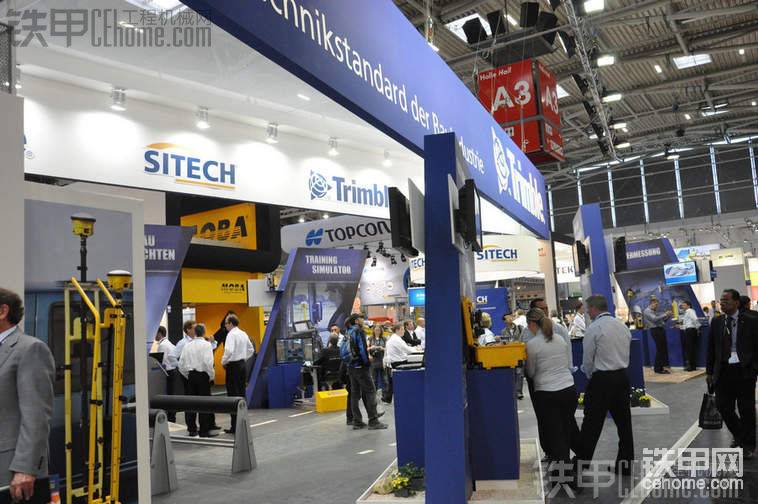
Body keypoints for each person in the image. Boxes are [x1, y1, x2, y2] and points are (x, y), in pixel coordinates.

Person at [0, 288, 55, 502]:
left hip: (14, 473)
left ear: (3, 311)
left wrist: (25, 468)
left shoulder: (30, 349)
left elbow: (36, 416)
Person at [579, 294, 634, 475]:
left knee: (591, 424)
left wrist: (591, 376)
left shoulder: (594, 328)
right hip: (622, 378)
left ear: (594, 308)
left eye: (588, 309)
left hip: (602, 380)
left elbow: (588, 359)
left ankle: (581, 464)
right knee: (624, 424)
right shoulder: (622, 326)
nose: (587, 312)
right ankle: (625, 465)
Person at [524, 308, 578, 475]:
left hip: (547, 393)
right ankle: (566, 469)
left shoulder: (532, 345)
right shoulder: (559, 339)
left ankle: (565, 475)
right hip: (568, 389)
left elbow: (531, 372)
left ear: (532, 324)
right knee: (566, 430)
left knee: (555, 434)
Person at [706, 289, 758, 459]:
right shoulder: (717, 321)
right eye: (721, 301)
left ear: (736, 302)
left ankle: (748, 445)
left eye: (726, 300)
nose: (722, 303)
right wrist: (709, 371)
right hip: (723, 371)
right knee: (723, 407)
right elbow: (711, 348)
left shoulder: (751, 320)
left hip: (744, 371)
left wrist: (754, 367)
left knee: (746, 409)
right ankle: (741, 435)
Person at [346, 314, 387, 430]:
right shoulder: (359, 331)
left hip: (351, 366)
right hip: (360, 366)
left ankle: (357, 421)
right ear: (356, 321)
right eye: (361, 319)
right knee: (370, 391)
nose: (363, 321)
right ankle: (373, 421)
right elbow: (362, 349)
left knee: (354, 394)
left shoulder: (348, 331)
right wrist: (367, 362)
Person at [178, 323, 218, 438]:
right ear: (204, 332)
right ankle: (204, 430)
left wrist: (188, 375)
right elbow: (208, 363)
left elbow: (181, 364)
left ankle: (192, 429)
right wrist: (211, 376)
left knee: (191, 403)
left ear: (195, 332)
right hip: (203, 376)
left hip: (191, 376)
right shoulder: (206, 345)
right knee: (204, 404)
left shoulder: (187, 346)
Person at [221, 314, 255, 434]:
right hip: (242, 366)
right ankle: (243, 424)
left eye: (226, 323)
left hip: (233, 367)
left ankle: (234, 426)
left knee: (232, 396)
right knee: (241, 394)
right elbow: (251, 349)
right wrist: (243, 358)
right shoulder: (243, 333)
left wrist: (223, 362)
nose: (225, 325)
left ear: (230, 323)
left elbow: (229, 351)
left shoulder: (231, 334)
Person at [383, 322, 416, 404]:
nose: (404, 331)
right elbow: (408, 350)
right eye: (402, 329)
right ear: (397, 330)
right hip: (398, 363)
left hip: (394, 362)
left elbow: (405, 349)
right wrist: (417, 349)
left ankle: (387, 398)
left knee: (391, 383)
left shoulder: (395, 338)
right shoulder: (396, 339)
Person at [155, 326, 180, 422]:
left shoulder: (162, 345)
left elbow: (161, 361)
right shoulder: (169, 343)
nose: (154, 336)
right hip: (173, 372)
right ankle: (172, 416)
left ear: (159, 333)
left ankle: (170, 417)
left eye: (155, 333)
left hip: (167, 373)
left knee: (168, 396)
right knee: (171, 395)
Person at [643, 298, 672, 374]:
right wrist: (665, 314)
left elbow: (661, 321)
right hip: (655, 330)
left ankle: (660, 367)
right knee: (660, 349)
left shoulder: (654, 311)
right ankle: (658, 368)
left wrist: (667, 316)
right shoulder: (647, 311)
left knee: (662, 349)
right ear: (651, 303)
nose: (657, 306)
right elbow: (654, 319)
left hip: (660, 329)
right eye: (656, 304)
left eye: (657, 305)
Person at [679, 301, 700, 371]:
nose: (683, 306)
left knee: (690, 349)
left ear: (688, 306)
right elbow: (686, 323)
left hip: (690, 331)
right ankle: (692, 366)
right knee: (690, 349)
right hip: (689, 331)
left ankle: (691, 366)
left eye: (684, 305)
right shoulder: (687, 312)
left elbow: (695, 319)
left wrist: (697, 328)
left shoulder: (690, 311)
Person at [367, 324, 387, 391]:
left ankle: (385, 394)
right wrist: (370, 350)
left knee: (384, 378)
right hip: (374, 360)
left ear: (381, 331)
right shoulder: (370, 338)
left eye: (378, 330)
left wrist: (382, 348)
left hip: (382, 359)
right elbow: (367, 348)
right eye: (376, 330)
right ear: (373, 330)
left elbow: (387, 349)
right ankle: (373, 393)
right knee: (374, 379)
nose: (377, 331)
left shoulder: (384, 338)